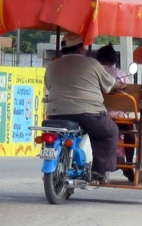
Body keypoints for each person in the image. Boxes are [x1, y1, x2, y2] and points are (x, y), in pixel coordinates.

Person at [44, 32, 126, 182]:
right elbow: (110, 85)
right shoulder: (92, 64)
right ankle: (99, 171)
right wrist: (120, 85)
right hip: (88, 113)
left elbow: (48, 85)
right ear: (81, 47)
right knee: (109, 131)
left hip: (56, 113)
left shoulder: (52, 66)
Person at [96, 43, 135, 182]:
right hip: (119, 119)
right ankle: (129, 164)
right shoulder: (121, 74)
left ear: (98, 59)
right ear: (115, 60)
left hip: (97, 114)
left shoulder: (94, 72)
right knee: (131, 131)